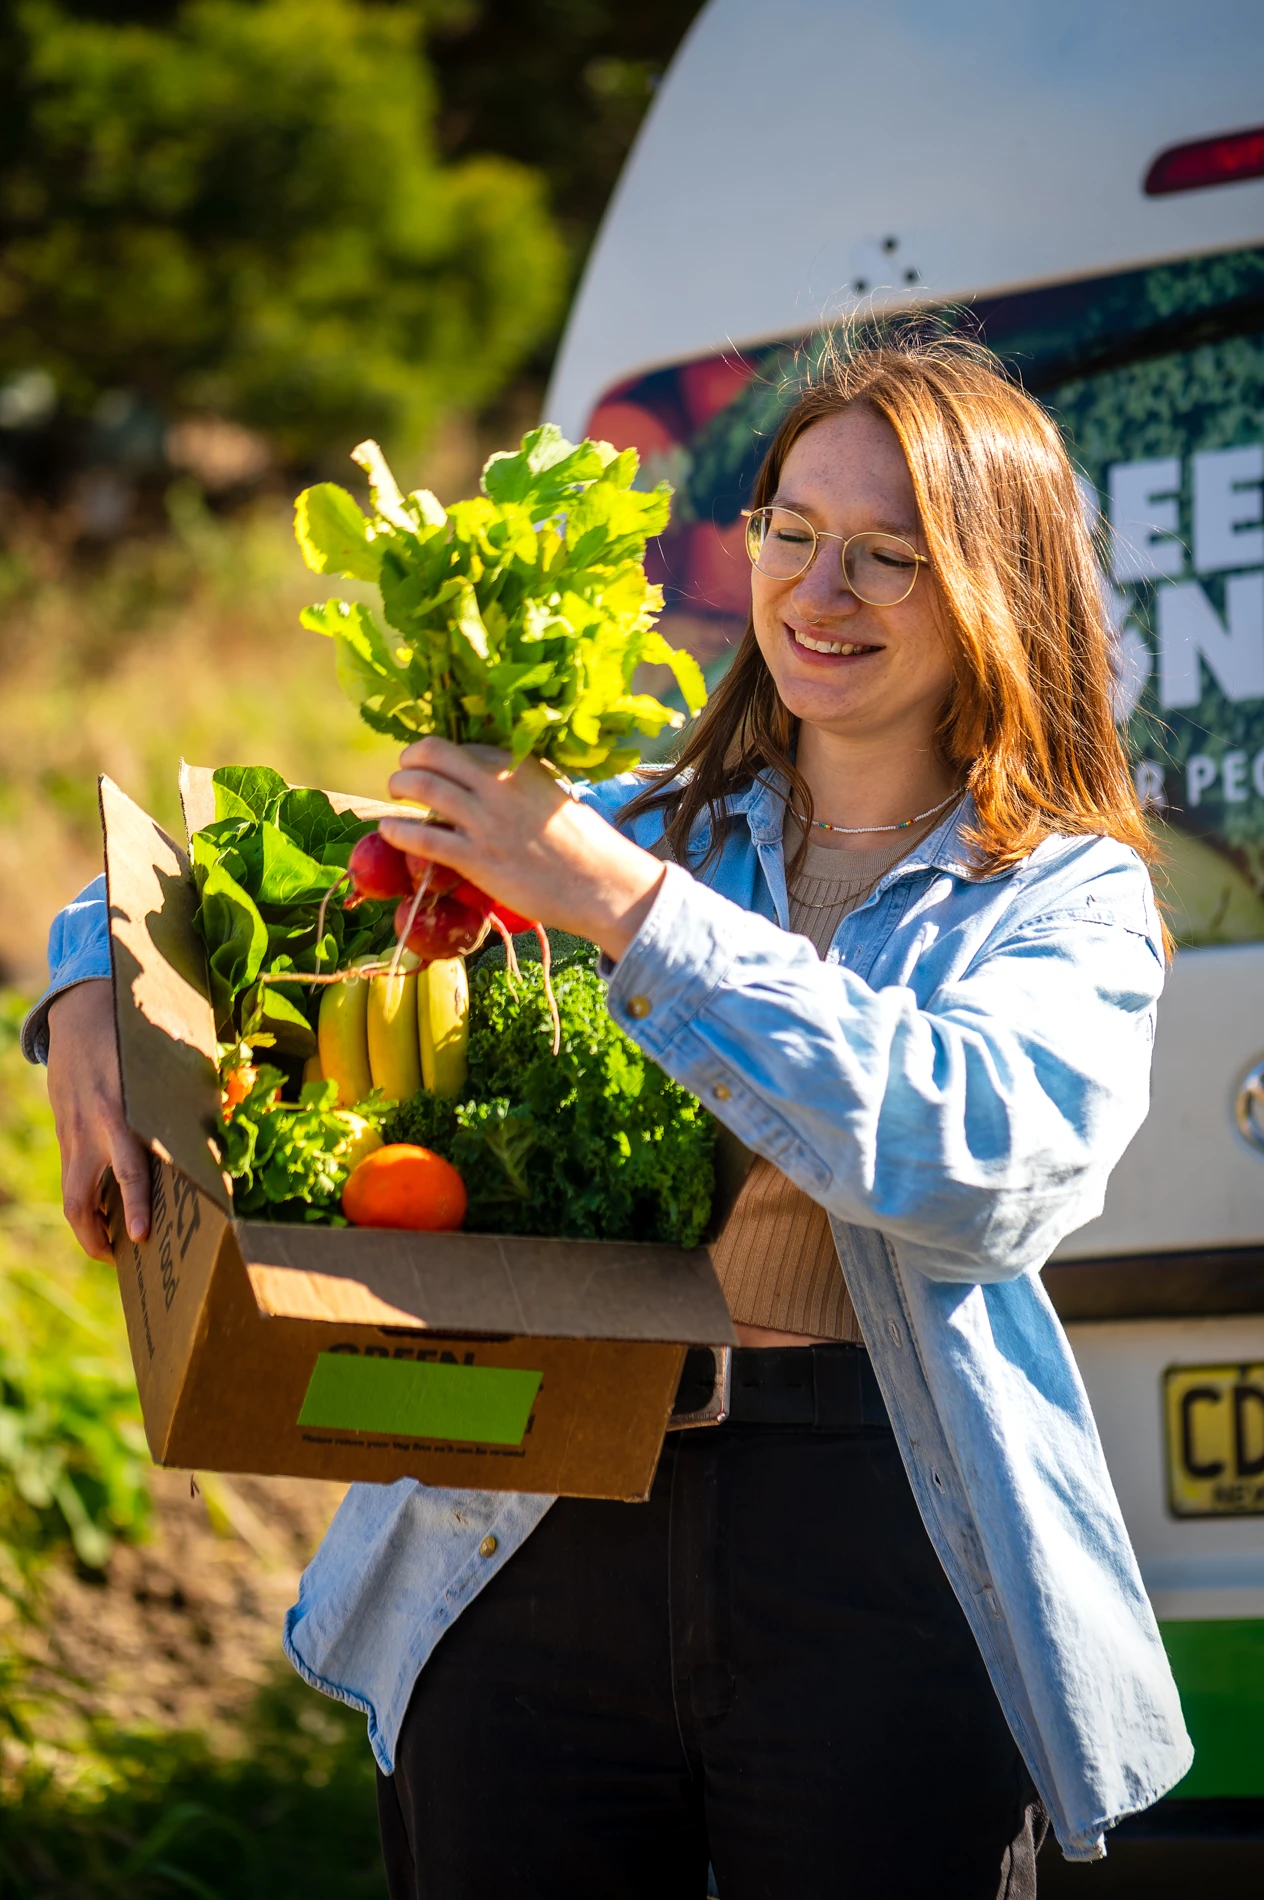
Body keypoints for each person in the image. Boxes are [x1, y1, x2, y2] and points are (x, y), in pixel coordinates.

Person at [29, 334, 1192, 1899]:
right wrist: (82, 989)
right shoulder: (642, 825)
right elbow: (253, 873)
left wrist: (637, 914)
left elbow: (974, 1163)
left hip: (872, 1538)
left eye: (889, 556)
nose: (818, 591)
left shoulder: (1061, 896)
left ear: (998, 582)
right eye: (790, 530)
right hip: (533, 1513)